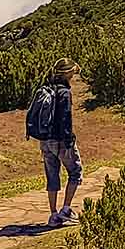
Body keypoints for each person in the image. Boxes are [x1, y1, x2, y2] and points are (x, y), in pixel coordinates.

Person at [33, 58, 84, 227]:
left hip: (45, 140)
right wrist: (69, 140)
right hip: (61, 140)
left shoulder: (46, 89)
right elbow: (65, 119)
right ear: (68, 73)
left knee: (52, 175)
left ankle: (53, 214)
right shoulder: (64, 92)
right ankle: (66, 209)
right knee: (75, 172)